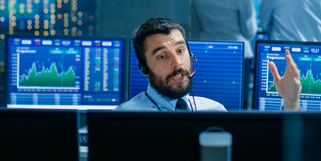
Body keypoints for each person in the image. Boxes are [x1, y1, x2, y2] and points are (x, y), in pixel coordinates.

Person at [116, 17, 301, 111]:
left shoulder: (215, 111)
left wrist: (291, 102)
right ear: (143, 68)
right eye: (163, 56)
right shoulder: (122, 119)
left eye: (180, 51)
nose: (177, 63)